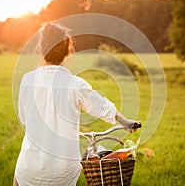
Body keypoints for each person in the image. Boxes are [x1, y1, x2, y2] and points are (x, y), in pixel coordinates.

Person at [13, 22, 140, 186]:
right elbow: (102, 106)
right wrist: (125, 122)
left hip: (29, 167)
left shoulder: (28, 80)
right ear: (67, 52)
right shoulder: (75, 84)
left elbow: (24, 119)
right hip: (63, 172)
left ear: (41, 50)